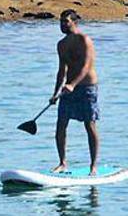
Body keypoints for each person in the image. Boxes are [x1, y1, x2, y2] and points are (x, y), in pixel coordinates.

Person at [50, 10, 100, 175]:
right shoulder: (61, 44)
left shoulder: (84, 40)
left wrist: (72, 84)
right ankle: (62, 163)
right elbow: (61, 71)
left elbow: (86, 67)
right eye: (61, 22)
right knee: (61, 124)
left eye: (66, 21)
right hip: (68, 89)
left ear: (74, 22)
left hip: (86, 88)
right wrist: (55, 94)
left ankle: (93, 166)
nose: (62, 25)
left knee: (89, 124)